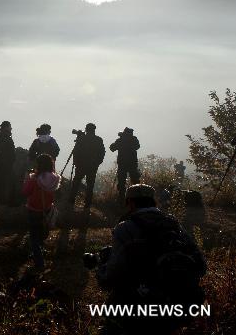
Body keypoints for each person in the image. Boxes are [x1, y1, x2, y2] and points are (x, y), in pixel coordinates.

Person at [94, 184, 206, 335]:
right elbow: (201, 265)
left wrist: (100, 268)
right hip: (183, 304)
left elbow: (112, 275)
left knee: (112, 315)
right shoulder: (174, 224)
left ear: (130, 203)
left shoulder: (125, 228)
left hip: (143, 306)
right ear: (154, 202)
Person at [23, 154, 60, 268]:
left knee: (33, 237)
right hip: (47, 209)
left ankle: (39, 263)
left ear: (39, 165)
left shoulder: (33, 179)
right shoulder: (55, 178)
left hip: (33, 210)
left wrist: (26, 179)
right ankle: (40, 251)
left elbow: (25, 192)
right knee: (42, 232)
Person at [69, 123, 105, 207]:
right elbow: (102, 153)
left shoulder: (82, 138)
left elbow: (76, 151)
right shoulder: (99, 140)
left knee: (76, 183)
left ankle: (71, 200)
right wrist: (97, 163)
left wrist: (75, 162)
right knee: (90, 185)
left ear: (86, 129)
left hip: (81, 165)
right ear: (94, 130)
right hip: (93, 166)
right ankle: (87, 204)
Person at [109, 127, 141, 202]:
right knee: (135, 181)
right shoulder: (134, 139)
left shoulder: (121, 140)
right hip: (132, 164)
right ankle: (136, 198)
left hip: (122, 164)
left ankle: (122, 199)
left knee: (121, 182)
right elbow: (137, 146)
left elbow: (112, 148)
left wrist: (120, 139)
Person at [0, 121, 16, 206]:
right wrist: (12, 159)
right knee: (12, 182)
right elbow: (11, 151)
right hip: (7, 163)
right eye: (10, 127)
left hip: (0, 163)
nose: (11, 128)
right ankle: (11, 201)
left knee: (2, 183)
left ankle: (2, 201)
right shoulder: (6, 137)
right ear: (6, 127)